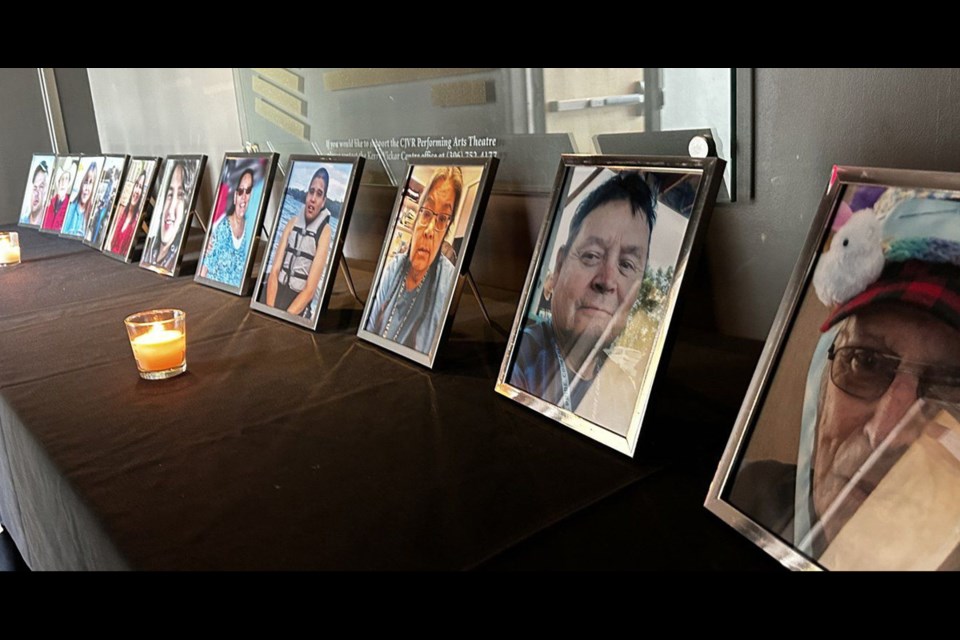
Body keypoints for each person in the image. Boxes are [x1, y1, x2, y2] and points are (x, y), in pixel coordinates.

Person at [730, 194, 960, 563]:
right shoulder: (748, 497)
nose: (886, 433)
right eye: (866, 362)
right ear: (821, 388)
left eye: (953, 388)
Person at [508, 171, 656, 429]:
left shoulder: (626, 392)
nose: (607, 280)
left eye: (626, 265)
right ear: (559, 266)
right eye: (591, 255)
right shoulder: (520, 360)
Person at [364, 166, 463, 353]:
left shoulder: (449, 283)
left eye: (442, 219)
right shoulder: (394, 268)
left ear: (447, 230)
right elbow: (368, 328)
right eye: (426, 213)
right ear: (416, 218)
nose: (428, 231)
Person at [262, 167, 333, 318]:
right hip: (275, 293)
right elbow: (274, 271)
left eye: (319, 194)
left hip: (297, 305)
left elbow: (309, 290)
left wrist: (284, 317)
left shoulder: (325, 232)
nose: (313, 198)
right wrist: (270, 310)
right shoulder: (292, 223)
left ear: (323, 201)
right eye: (311, 191)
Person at [199, 168, 256, 287]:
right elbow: (204, 271)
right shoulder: (222, 227)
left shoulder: (250, 231)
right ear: (235, 197)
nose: (244, 197)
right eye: (240, 191)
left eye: (248, 191)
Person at [141, 160, 194, 273]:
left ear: (187, 209)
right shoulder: (149, 251)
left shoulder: (173, 260)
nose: (170, 209)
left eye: (180, 195)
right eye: (170, 195)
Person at [107, 168, 147, 256]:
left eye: (140, 187)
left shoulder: (136, 222)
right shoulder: (123, 213)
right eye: (136, 185)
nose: (136, 190)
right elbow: (110, 242)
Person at [60, 160, 98, 237]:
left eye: (90, 183)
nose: (87, 188)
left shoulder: (92, 216)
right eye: (86, 182)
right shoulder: (69, 208)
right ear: (81, 184)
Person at [41, 160, 76, 232]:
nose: (63, 182)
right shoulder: (49, 204)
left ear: (69, 183)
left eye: (66, 179)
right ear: (58, 181)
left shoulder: (70, 207)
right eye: (61, 178)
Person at [21, 160, 49, 226]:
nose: (36, 193)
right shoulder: (23, 221)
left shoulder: (48, 225)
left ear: (46, 191)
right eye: (35, 187)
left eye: (41, 187)